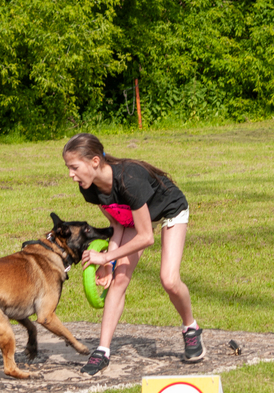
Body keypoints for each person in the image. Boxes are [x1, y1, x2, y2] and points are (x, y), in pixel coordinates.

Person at [62, 133, 205, 376]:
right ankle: (102, 351)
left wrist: (105, 257)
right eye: (68, 168)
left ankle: (190, 327)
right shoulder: (90, 188)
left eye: (74, 167)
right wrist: (109, 263)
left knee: (169, 280)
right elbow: (117, 223)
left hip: (169, 210)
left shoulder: (129, 180)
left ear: (94, 161)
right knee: (119, 280)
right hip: (134, 217)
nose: (70, 174)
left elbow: (146, 237)